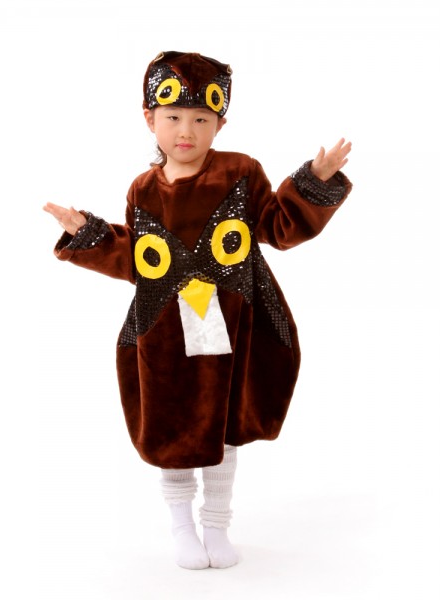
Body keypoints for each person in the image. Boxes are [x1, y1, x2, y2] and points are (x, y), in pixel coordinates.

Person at [43, 50, 352, 570]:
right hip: (165, 323)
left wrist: (313, 181)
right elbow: (142, 261)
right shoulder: (143, 189)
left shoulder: (240, 172)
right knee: (177, 421)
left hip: (231, 318)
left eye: (201, 119)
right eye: (173, 117)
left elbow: (278, 226)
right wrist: (89, 235)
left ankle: (216, 523)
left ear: (220, 124)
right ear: (150, 119)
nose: (186, 130)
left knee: (222, 417)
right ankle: (182, 526)